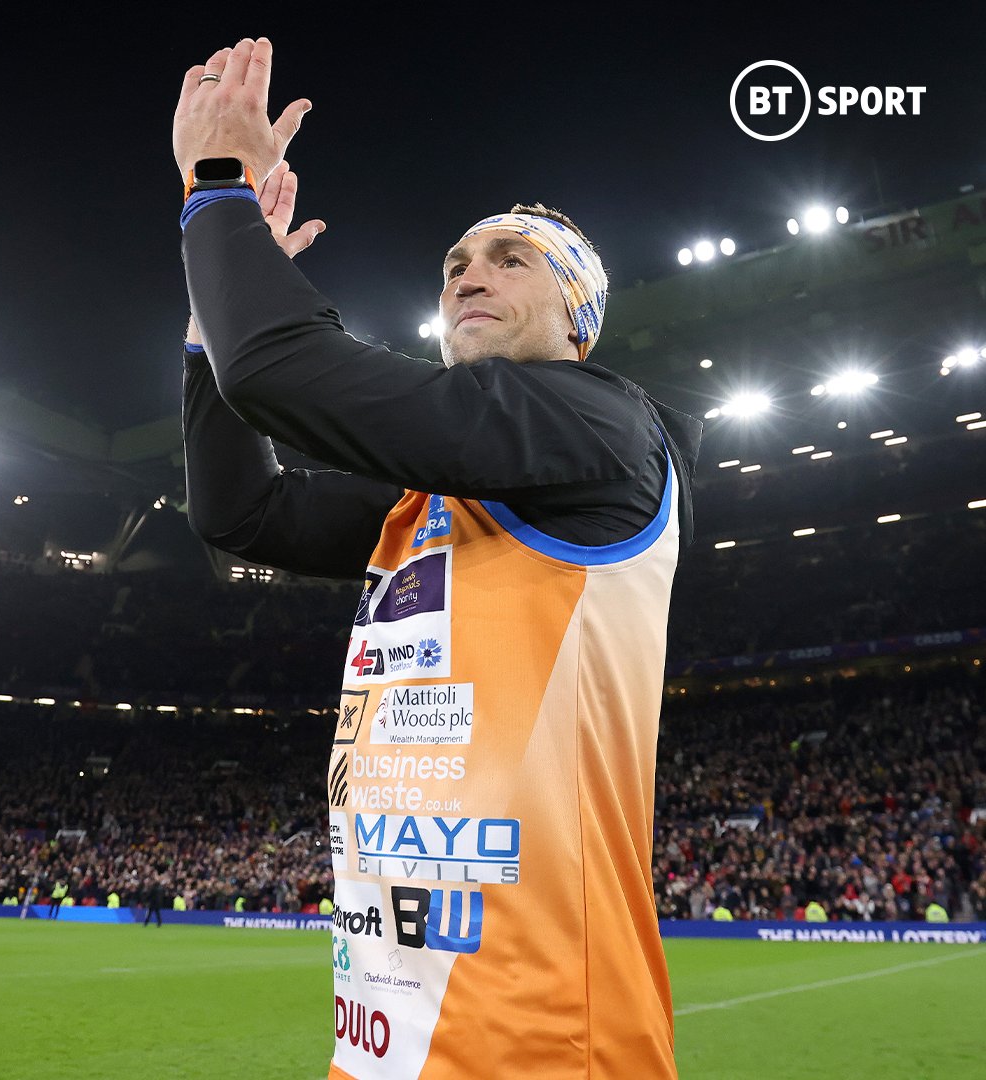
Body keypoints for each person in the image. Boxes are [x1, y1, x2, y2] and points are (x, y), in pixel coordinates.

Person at [174, 38, 701, 1080]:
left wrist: (219, 190)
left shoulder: (602, 429)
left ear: (579, 318)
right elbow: (239, 514)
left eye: (513, 258)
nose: (469, 272)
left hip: (541, 1041)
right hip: (390, 1037)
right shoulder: (435, 492)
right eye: (456, 261)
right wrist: (208, 324)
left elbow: (287, 374)